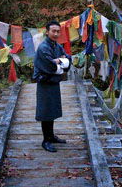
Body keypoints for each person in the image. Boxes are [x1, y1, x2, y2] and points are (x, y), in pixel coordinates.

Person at [33, 20, 72, 152]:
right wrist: (59, 64)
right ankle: (46, 140)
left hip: (53, 82)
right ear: (47, 32)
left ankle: (51, 136)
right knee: (46, 112)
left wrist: (59, 61)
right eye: (53, 31)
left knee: (52, 110)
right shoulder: (44, 47)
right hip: (45, 83)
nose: (56, 33)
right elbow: (50, 66)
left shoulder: (56, 45)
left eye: (58, 31)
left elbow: (68, 59)